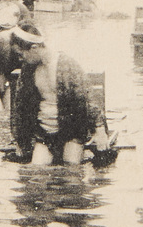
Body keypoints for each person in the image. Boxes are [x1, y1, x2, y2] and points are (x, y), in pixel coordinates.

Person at [9, 22, 112, 165]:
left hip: (71, 131)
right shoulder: (28, 70)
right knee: (36, 171)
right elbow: (20, 106)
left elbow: (88, 99)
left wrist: (100, 130)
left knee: (71, 168)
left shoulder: (67, 65)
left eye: (21, 54)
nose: (20, 59)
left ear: (34, 48)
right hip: (44, 133)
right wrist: (20, 140)